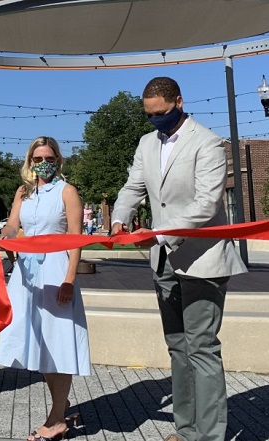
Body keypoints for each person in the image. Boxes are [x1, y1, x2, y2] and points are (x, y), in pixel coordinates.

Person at [111, 77, 246, 441]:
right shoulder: (145, 143)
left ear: (179, 102)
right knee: (178, 346)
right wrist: (119, 216)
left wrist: (163, 232)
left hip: (203, 258)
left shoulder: (208, 143)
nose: (156, 120)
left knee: (201, 346)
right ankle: (187, 432)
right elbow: (133, 187)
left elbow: (207, 203)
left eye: (162, 113)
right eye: (150, 115)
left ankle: (210, 435)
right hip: (163, 260)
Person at [0, 136, 89, 440]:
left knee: (58, 343)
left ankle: (56, 419)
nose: (43, 163)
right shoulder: (23, 193)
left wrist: (69, 280)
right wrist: (5, 237)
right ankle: (61, 408)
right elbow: (12, 225)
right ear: (30, 162)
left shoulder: (67, 192)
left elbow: (76, 239)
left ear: (58, 160)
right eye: (37, 159)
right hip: (26, 274)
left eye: (48, 158)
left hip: (55, 271)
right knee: (41, 345)